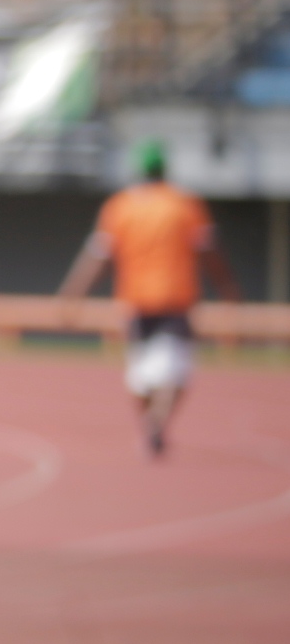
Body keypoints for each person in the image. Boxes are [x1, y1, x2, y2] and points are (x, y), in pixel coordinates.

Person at [59, 140, 238, 457]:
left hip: (134, 301)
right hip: (176, 298)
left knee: (141, 374)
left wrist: (73, 293)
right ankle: (157, 422)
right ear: (165, 169)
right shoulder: (185, 205)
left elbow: (98, 257)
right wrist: (227, 289)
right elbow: (209, 252)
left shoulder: (120, 207)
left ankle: (149, 423)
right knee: (175, 373)